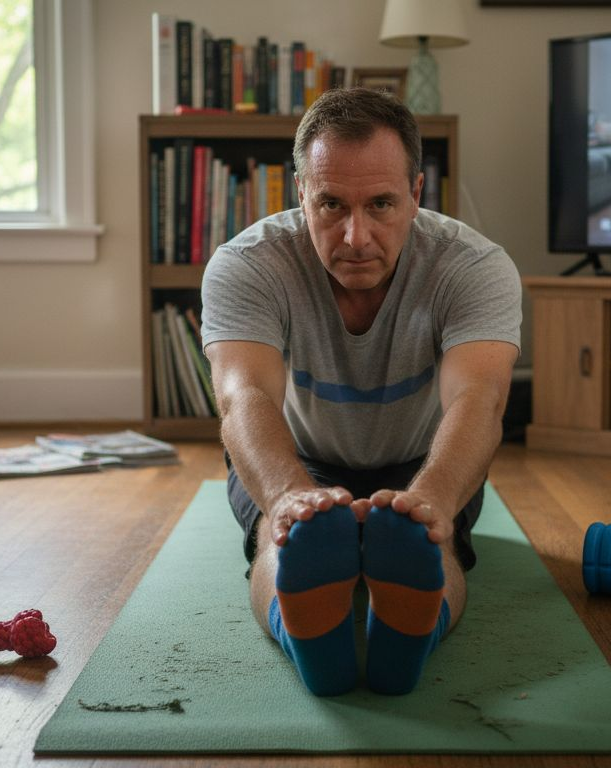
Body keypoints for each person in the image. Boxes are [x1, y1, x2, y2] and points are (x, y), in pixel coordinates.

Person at [200, 88, 521, 697]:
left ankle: (410, 637)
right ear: (301, 195)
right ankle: (304, 638)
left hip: (422, 458)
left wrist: (431, 502)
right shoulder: (247, 264)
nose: (355, 236)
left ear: (417, 195)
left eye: (380, 204)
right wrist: (290, 499)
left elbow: (478, 400)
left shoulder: (473, 267)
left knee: (430, 537)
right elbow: (244, 399)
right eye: (330, 205)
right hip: (295, 455)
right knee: (281, 533)